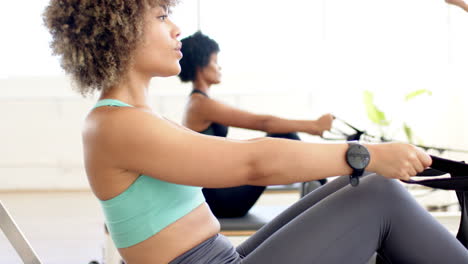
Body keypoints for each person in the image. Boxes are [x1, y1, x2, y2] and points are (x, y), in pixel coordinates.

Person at [43, 1, 468, 264]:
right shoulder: (116, 124)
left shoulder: (132, 117)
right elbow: (253, 160)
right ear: (118, 29)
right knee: (381, 194)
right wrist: (365, 153)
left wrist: (367, 161)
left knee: (372, 185)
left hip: (223, 256)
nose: (176, 29)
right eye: (161, 15)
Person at [178, 31, 333, 218]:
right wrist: (314, 125)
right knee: (283, 137)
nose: (219, 68)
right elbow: (264, 123)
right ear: (200, 66)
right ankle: (330, 197)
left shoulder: (200, 102)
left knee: (281, 140)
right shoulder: (200, 104)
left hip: (217, 194)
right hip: (220, 200)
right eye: (215, 62)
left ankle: (324, 194)